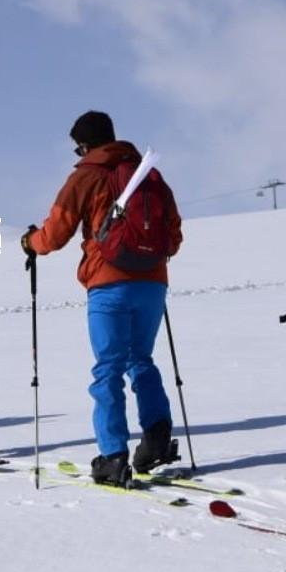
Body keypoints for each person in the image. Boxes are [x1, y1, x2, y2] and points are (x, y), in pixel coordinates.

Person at [22, 111, 182, 485]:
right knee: (141, 359)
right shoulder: (148, 174)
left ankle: (113, 455)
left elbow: (55, 232)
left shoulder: (86, 175)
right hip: (153, 284)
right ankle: (157, 438)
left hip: (108, 282)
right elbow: (173, 234)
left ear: (83, 144)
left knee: (108, 368)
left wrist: (30, 242)